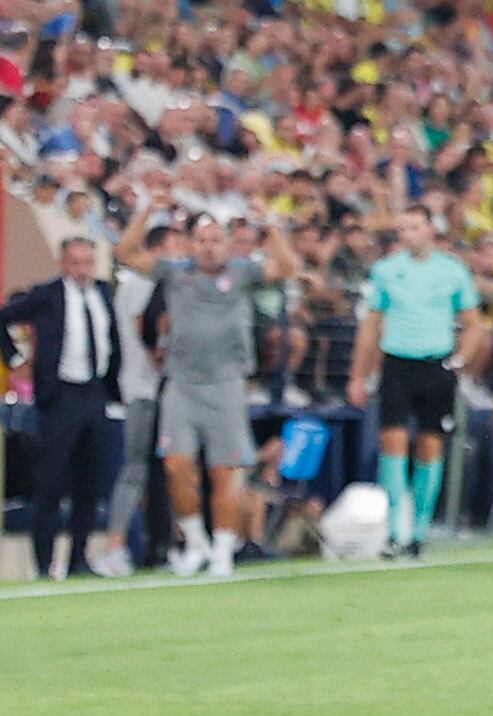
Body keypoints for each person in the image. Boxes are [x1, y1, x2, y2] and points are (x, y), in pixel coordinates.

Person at [118, 209, 299, 580]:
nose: (210, 248)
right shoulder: (175, 272)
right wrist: (147, 211)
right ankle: (196, 542)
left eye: (216, 240)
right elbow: (126, 254)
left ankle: (222, 549)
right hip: (181, 384)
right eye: (202, 241)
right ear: (190, 244)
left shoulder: (243, 273)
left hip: (227, 384)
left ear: (227, 244)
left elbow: (287, 266)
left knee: (225, 470)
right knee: (176, 465)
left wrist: (272, 227)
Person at [349, 207, 484, 559]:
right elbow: (371, 325)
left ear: (429, 229)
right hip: (397, 363)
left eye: (413, 227)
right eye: (402, 228)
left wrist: (458, 362)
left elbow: (473, 322)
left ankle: (418, 531)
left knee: (429, 446)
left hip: (435, 365)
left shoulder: (452, 270)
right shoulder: (386, 271)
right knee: (393, 444)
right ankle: (397, 530)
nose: (406, 234)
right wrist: (359, 375)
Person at [0, 235, 122, 579]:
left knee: (89, 481)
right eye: (77, 263)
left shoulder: (103, 293)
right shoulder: (46, 295)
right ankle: (43, 563)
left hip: (95, 393)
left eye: (89, 262)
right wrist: (16, 359)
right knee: (51, 482)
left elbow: (112, 341)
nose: (84, 270)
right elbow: (3, 318)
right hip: (60, 396)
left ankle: (79, 558)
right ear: (63, 264)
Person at [98, 222, 169, 575]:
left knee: (158, 473)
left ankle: (160, 546)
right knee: (136, 469)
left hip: (152, 389)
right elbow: (149, 334)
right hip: (145, 389)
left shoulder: (141, 284)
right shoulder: (141, 283)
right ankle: (115, 545)